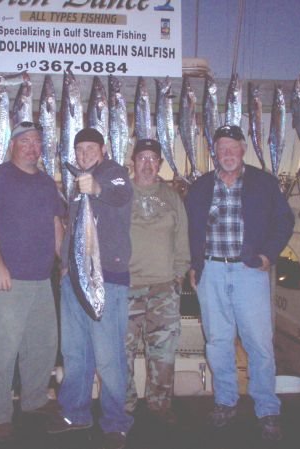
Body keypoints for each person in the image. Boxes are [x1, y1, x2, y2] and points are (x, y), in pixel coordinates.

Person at [185, 125, 294, 441]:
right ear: (215, 152)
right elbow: (190, 229)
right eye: (222, 148)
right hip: (212, 272)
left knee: (258, 343)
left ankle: (267, 408)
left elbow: (284, 221)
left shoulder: (264, 182)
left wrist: (268, 254)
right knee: (218, 342)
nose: (227, 153)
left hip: (249, 272)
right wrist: (194, 264)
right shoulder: (201, 186)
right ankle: (225, 401)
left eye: (233, 147)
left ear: (243, 149)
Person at [0, 121, 64, 443]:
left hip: (42, 279)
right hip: (7, 280)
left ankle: (34, 400)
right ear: (12, 145)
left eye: (36, 141)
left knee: (42, 346)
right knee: (3, 350)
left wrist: (65, 264)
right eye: (24, 141)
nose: (31, 147)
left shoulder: (46, 183)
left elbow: (56, 224)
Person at [47, 128, 133, 449]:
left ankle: (116, 422)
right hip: (74, 280)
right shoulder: (76, 185)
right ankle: (75, 412)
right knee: (75, 351)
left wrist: (94, 187)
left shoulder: (115, 173)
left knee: (109, 356)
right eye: (79, 149)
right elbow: (75, 228)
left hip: (106, 280)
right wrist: (65, 266)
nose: (83, 154)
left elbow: (118, 193)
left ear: (104, 148)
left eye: (90, 148)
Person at [125, 138, 190, 425]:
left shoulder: (172, 196)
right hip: (126, 288)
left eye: (153, 159)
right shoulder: (121, 193)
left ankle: (160, 405)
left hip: (164, 288)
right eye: (142, 158)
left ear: (160, 164)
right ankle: (124, 406)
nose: (147, 164)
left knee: (163, 354)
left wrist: (178, 274)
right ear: (133, 163)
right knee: (121, 354)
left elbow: (182, 238)